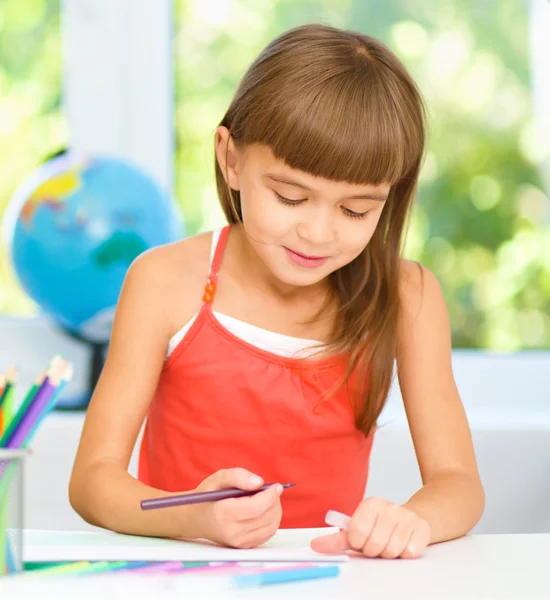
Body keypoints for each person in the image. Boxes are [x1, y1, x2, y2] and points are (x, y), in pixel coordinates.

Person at [69, 23, 484, 560]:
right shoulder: (165, 282)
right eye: (291, 197)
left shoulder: (409, 296)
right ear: (232, 159)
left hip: (331, 581)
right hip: (185, 574)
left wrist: (411, 521)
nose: (318, 233)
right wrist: (193, 515)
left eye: (356, 209)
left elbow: (459, 484)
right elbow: (92, 479)